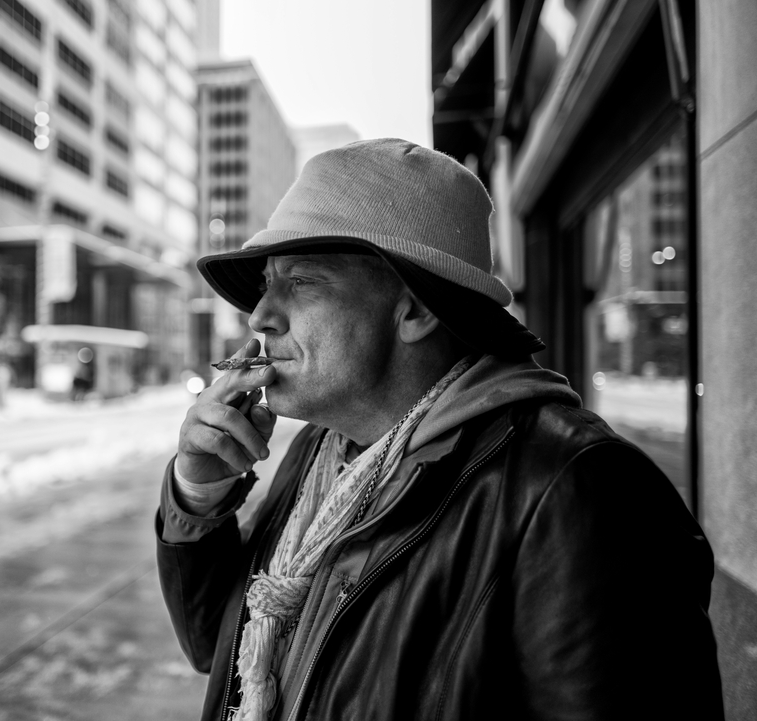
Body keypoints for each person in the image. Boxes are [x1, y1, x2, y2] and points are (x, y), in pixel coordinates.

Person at [155, 139, 722, 721]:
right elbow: (218, 652)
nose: (259, 318)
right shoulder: (321, 449)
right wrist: (199, 494)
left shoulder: (580, 490)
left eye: (300, 282)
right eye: (265, 285)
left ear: (416, 310)